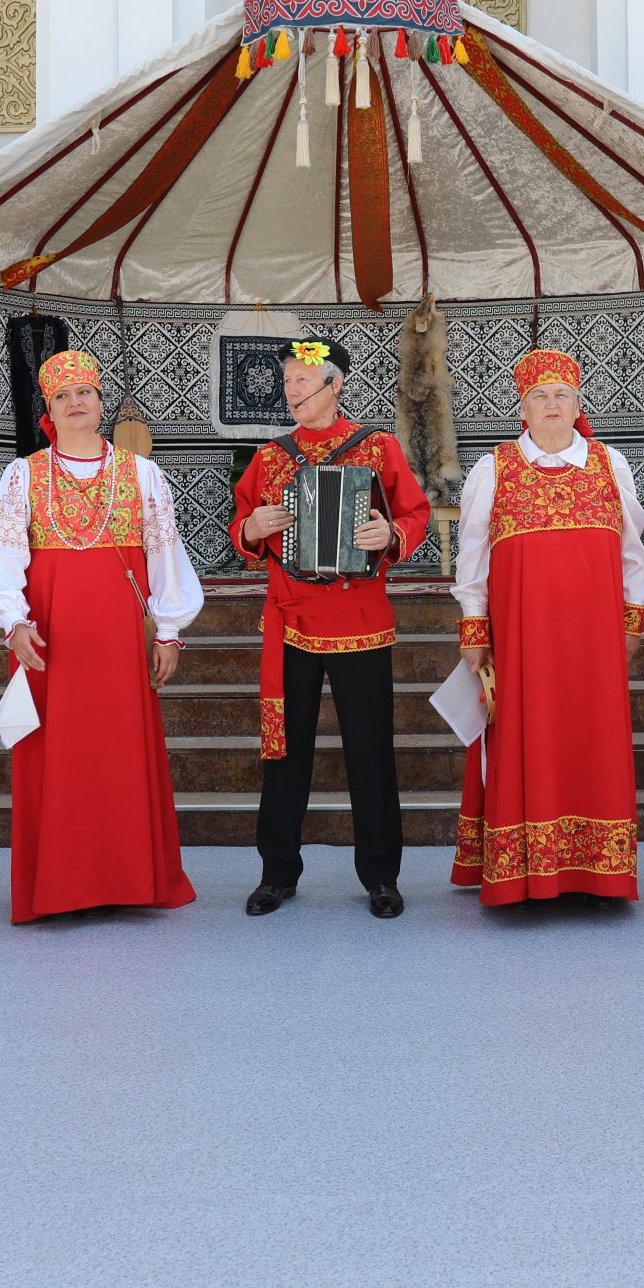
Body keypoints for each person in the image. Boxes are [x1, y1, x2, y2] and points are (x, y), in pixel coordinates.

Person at [0, 349, 200, 922]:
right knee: (56, 757)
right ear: (48, 410)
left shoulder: (141, 473)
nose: (75, 403)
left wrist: (168, 630)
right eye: (62, 396)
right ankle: (60, 885)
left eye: (85, 393)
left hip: (119, 642)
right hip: (49, 640)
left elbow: (164, 556)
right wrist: (12, 622)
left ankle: (128, 879)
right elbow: (1, 559)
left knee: (119, 753)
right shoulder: (23, 475)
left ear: (101, 403)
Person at [227, 338, 431, 920]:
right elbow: (240, 526)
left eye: (303, 381)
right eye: (287, 381)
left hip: (359, 619)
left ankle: (381, 876)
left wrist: (390, 535)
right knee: (285, 754)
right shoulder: (270, 457)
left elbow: (414, 513)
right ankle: (277, 873)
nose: (292, 391)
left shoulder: (377, 447)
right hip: (291, 620)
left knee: (370, 752)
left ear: (335, 385)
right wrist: (252, 528)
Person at [451, 348, 644, 906]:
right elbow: (472, 559)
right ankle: (525, 875)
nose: (552, 404)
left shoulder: (610, 463)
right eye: (539, 395)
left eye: (562, 394)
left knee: (594, 743)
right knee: (526, 739)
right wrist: (474, 631)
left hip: (596, 639)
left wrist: (632, 621)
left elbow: (632, 553)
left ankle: (598, 873)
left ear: (578, 405)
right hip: (523, 640)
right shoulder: (493, 468)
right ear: (523, 409)